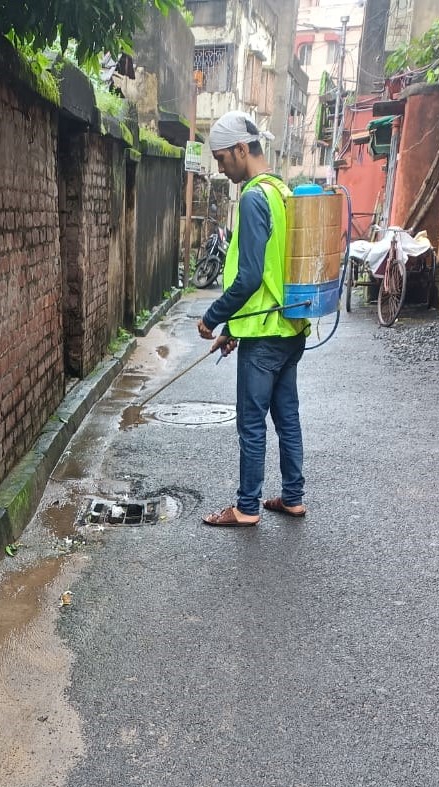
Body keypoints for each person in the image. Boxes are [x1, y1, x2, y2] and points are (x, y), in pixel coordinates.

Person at [197, 111, 309, 527]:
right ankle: (293, 498)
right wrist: (232, 331)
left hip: (264, 336)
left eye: (223, 159)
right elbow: (273, 277)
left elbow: (248, 278)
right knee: (287, 417)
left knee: (251, 423)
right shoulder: (282, 191)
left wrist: (213, 317)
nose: (222, 169)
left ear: (242, 149)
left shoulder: (253, 197)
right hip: (289, 327)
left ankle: (246, 507)